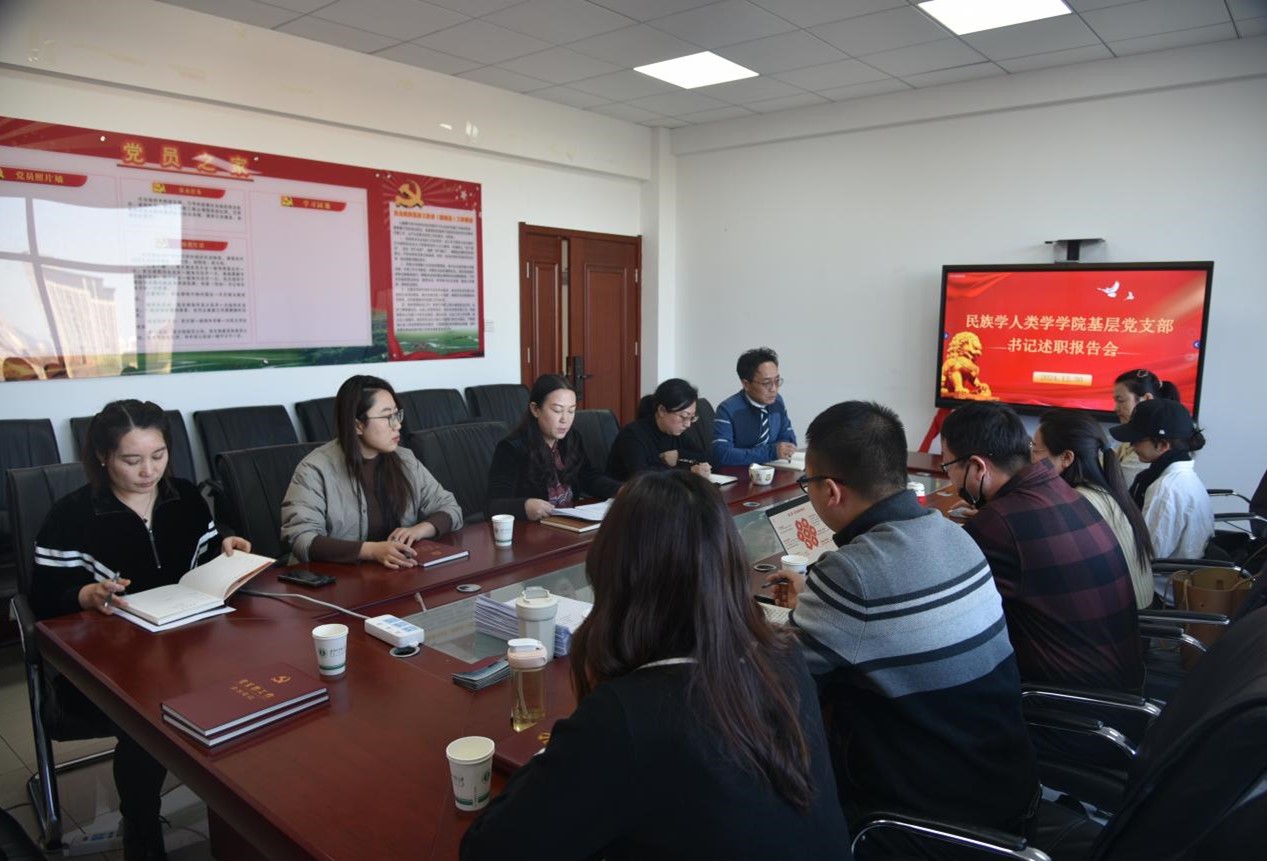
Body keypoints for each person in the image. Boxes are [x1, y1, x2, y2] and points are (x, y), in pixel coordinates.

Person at [461, 471, 851, 860]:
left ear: (614, 572)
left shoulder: (626, 717)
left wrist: (560, 757)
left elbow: (487, 849)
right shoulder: (784, 655)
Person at [768, 402, 1039, 855]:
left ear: (830, 491)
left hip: (925, 821)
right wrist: (819, 597)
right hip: (1010, 787)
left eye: (807, 483)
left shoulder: (851, 573)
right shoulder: (956, 535)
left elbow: (779, 679)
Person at [30, 400, 252, 860]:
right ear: (103, 457)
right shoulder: (72, 515)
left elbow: (204, 561)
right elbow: (43, 599)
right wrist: (85, 595)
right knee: (150, 714)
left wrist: (225, 550)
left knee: (250, 687)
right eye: (132, 460)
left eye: (158, 455)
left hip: (188, 646)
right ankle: (142, 831)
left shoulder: (184, 498)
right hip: (108, 663)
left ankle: (243, 817)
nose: (148, 471)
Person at [940, 402, 1144, 693]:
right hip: (1121, 687)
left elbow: (950, 610)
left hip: (1066, 706)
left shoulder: (999, 521)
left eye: (948, 466)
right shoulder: (1062, 491)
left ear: (978, 467)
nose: (949, 477)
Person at [281, 375, 462, 567]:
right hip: (338, 577)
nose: (397, 425)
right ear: (357, 425)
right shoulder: (314, 469)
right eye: (387, 417)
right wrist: (371, 551)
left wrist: (419, 530)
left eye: (397, 415)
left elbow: (450, 509)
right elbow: (301, 538)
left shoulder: (405, 460)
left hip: (394, 571)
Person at [1034, 409, 1156, 609]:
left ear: (1066, 458)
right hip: (1133, 611)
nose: (1030, 458)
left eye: (1035, 449)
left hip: (1121, 619)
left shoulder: (1076, 502)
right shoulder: (1103, 491)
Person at [486, 375, 620, 520]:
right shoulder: (511, 449)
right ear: (535, 409)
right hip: (534, 529)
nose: (565, 419)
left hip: (569, 522)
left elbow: (588, 477)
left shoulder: (572, 438)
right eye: (557, 410)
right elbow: (493, 505)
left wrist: (621, 490)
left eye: (571, 411)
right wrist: (524, 506)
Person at [1110, 397, 1215, 566]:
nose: (1132, 445)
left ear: (1162, 445)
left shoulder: (1166, 489)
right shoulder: (1181, 477)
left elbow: (1148, 555)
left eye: (1137, 440)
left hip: (1163, 579)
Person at [605, 378, 712, 481]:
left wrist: (679, 455)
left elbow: (707, 457)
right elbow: (644, 478)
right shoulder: (633, 435)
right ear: (661, 410)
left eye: (692, 417)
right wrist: (688, 472)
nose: (688, 424)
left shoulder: (676, 434)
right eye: (683, 416)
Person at [711, 347, 797, 466]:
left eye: (777, 381)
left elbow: (788, 437)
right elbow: (722, 454)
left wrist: (784, 448)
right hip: (741, 473)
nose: (774, 389)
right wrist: (770, 452)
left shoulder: (777, 401)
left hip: (774, 469)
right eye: (766, 383)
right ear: (746, 384)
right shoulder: (727, 410)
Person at [1112, 368, 1180, 486]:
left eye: (1121, 401)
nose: (1115, 408)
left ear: (1147, 399)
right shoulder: (1132, 437)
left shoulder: (1151, 444)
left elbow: (1118, 485)